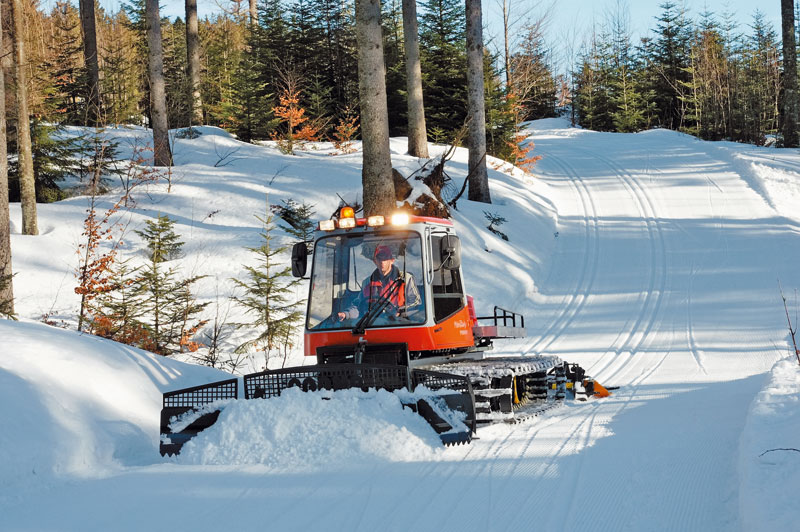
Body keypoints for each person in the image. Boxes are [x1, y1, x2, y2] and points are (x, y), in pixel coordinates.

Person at [337, 245, 421, 322]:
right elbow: (359, 306)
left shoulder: (405, 279)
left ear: (392, 260)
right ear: (375, 261)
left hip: (400, 323)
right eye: (379, 259)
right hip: (375, 324)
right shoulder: (367, 282)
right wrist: (346, 314)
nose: (382, 262)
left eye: (385, 259)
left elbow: (416, 302)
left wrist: (400, 311)